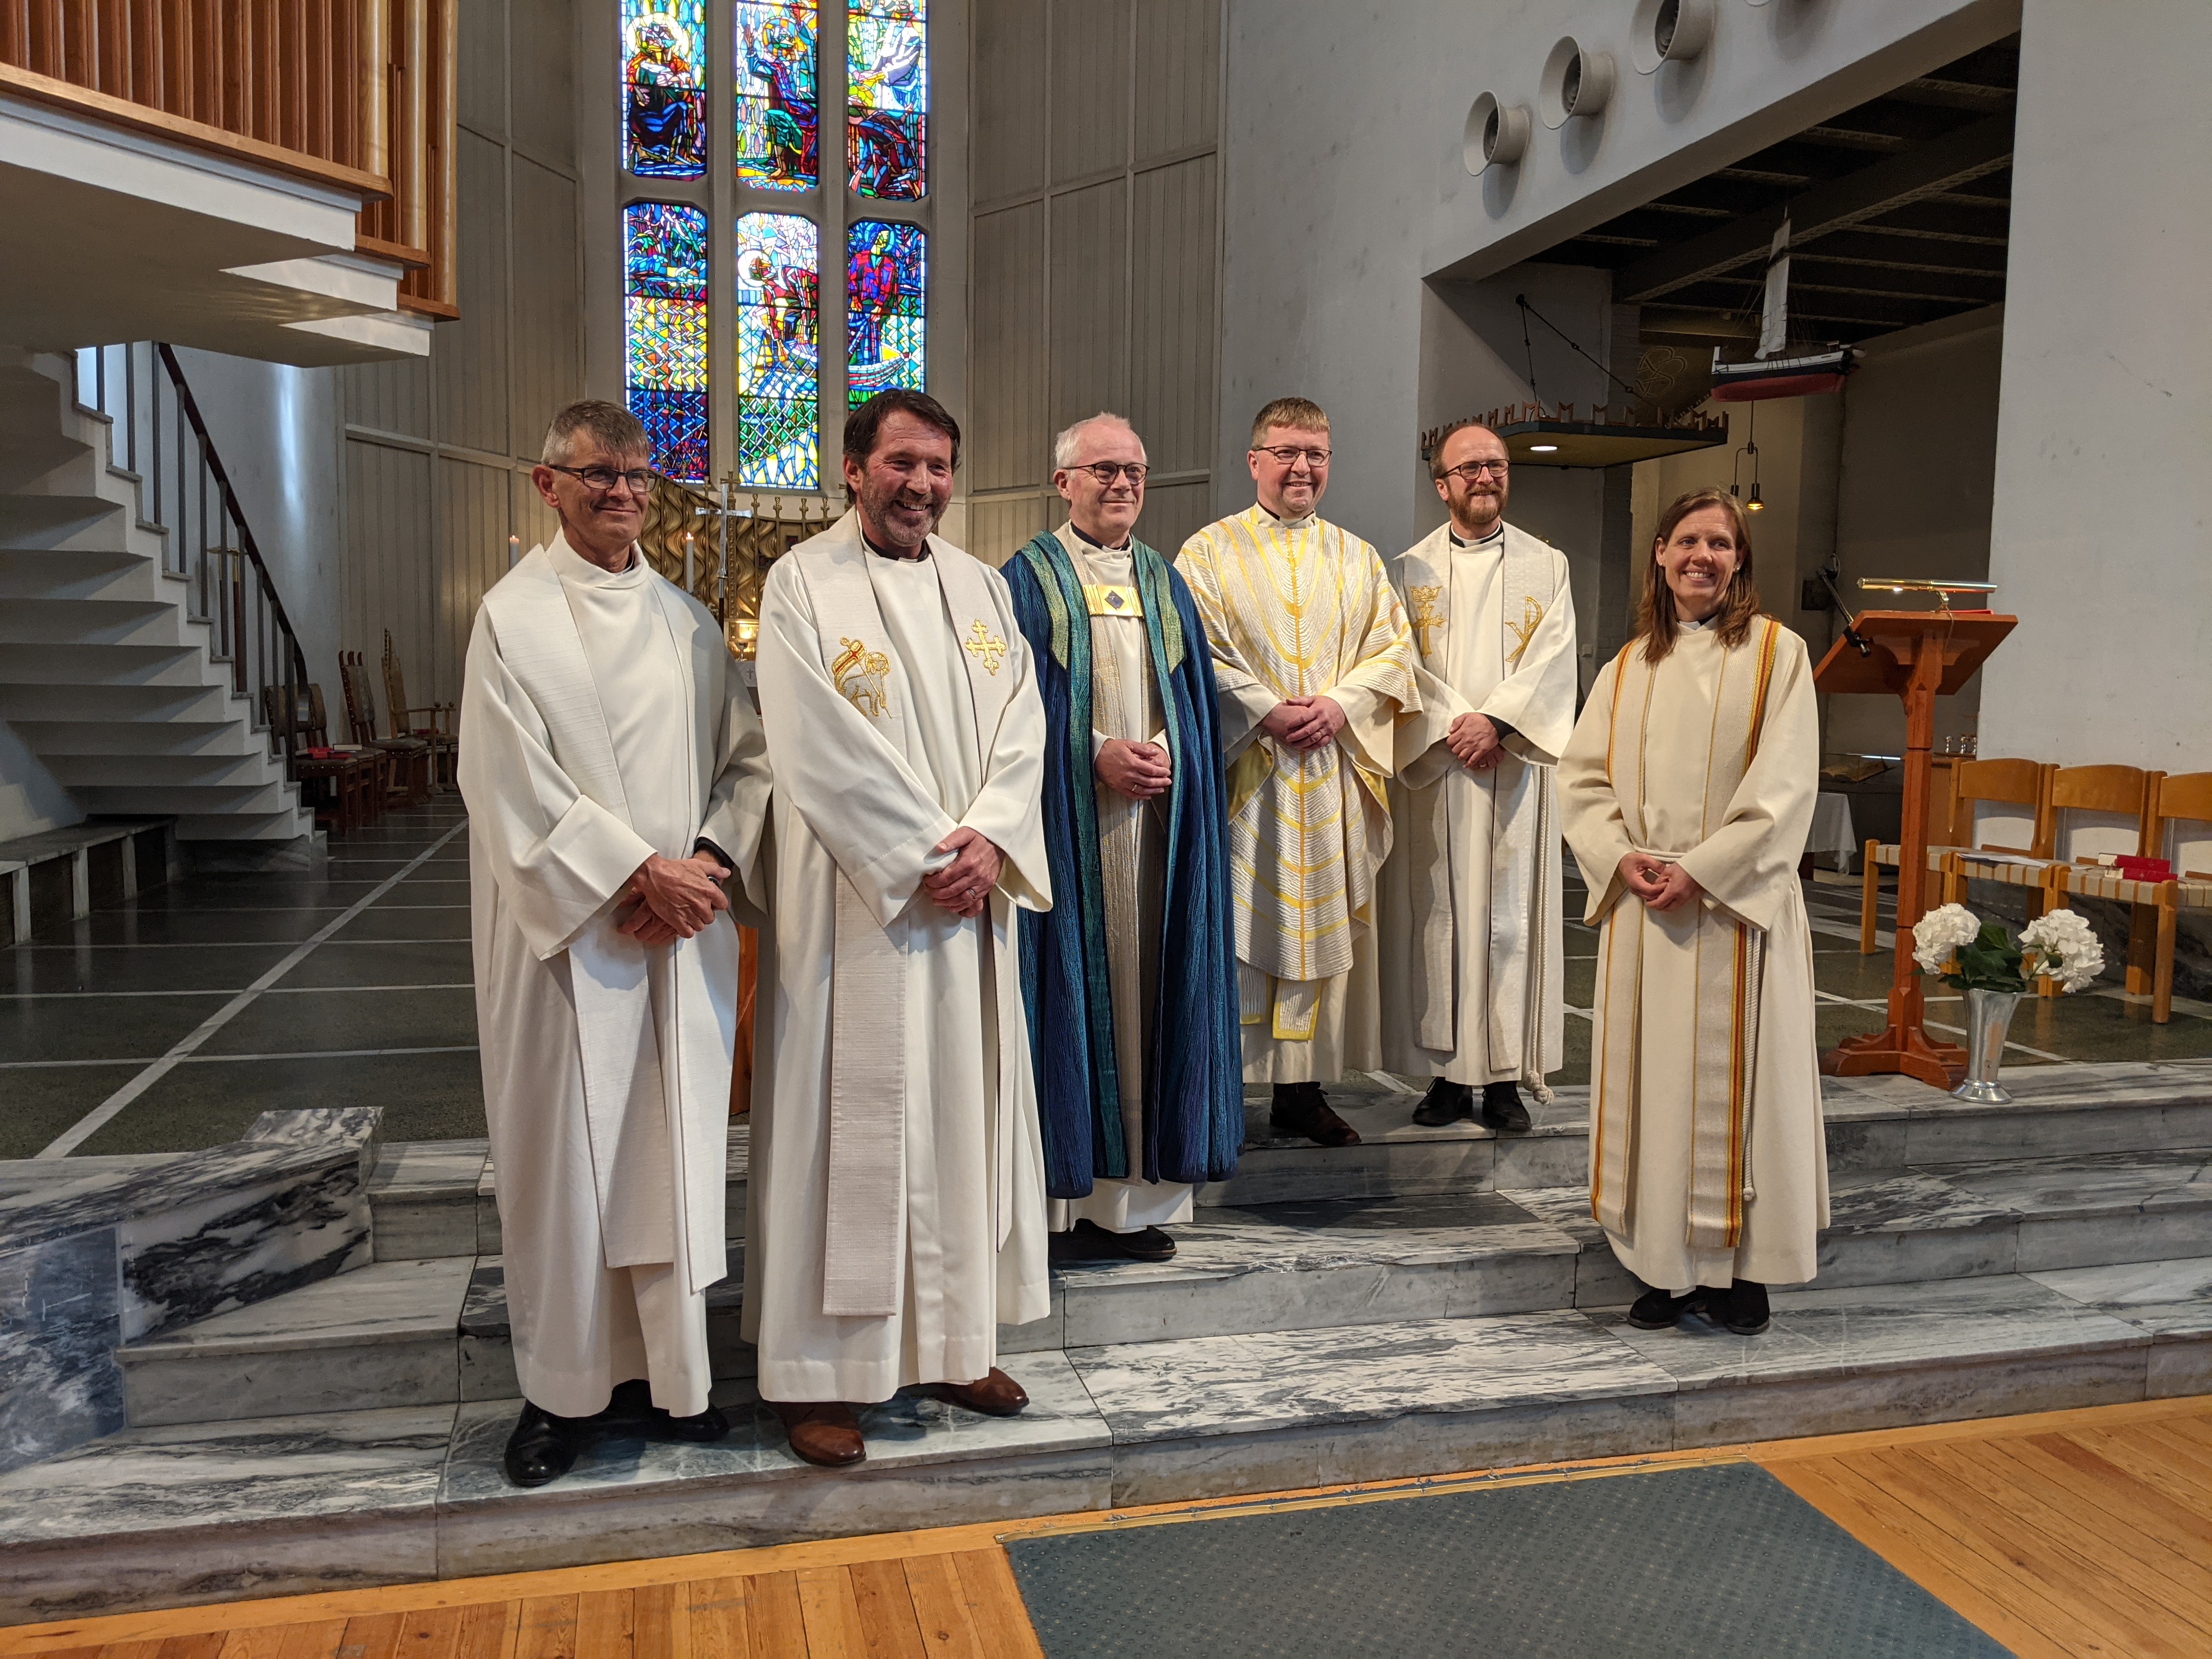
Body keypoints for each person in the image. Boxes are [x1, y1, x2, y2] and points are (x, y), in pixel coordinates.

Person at [460, 400, 771, 1487]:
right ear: (547, 485)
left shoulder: (689, 623)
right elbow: (504, 784)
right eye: (599, 475)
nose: (625, 493)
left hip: (677, 936)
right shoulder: (512, 619)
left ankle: (670, 1383)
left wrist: (704, 866)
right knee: (564, 1170)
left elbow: (748, 765)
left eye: (639, 474)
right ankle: (561, 1396)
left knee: (671, 1159)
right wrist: (635, 874)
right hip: (566, 950)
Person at [744, 390, 1053, 1468]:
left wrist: (994, 840)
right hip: (858, 915)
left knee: (958, 1123)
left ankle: (953, 1343)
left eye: (939, 468)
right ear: (853, 469)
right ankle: (822, 1377)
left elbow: (1026, 723)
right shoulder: (802, 587)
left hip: (965, 910)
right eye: (903, 464)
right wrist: (929, 854)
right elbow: (814, 744)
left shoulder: (980, 588)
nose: (923, 485)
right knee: (851, 1137)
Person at [1556, 486, 1826, 1338]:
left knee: (1746, 1094)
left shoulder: (1780, 656)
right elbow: (1583, 779)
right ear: (1662, 556)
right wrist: (1621, 857)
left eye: (1720, 543)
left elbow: (1786, 788)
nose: (1702, 557)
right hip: (1648, 909)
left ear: (1739, 559)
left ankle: (1743, 1274)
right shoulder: (1627, 666)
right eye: (1687, 542)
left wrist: (1704, 871)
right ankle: (1663, 1267)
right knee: (1654, 1093)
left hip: (1733, 912)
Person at [1003, 413, 1242, 1266]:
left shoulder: (1165, 582)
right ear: (1062, 481)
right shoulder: (1026, 580)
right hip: (1070, 831)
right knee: (1072, 999)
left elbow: (1195, 702)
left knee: (1152, 999)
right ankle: (1062, 1206)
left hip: (1156, 832)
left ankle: (1132, 1209)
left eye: (1135, 471)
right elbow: (1006, 711)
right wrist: (1090, 754)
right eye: (1103, 470)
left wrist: (1170, 753)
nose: (1122, 485)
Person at [1176, 398, 1420, 1148]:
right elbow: (1194, 649)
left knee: (1315, 931)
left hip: (1329, 774)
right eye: (1285, 452)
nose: (1302, 467)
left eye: (1316, 453)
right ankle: (1226, 1091)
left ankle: (1301, 1091)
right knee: (1240, 925)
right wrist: (1264, 709)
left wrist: (1342, 706)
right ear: (1254, 461)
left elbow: (1394, 650)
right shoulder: (1207, 554)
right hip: (1248, 776)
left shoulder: (1358, 557)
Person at [1380, 422, 1578, 1133]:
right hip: (1441, 774)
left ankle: (1503, 1082)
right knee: (1439, 919)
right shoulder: (1407, 572)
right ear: (1443, 484)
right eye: (1469, 468)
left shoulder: (1546, 566)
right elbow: (1399, 667)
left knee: (1509, 924)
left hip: (1514, 773)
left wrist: (1496, 725)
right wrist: (1458, 725)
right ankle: (1444, 1076)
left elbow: (1556, 660)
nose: (1485, 477)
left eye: (1495, 465)